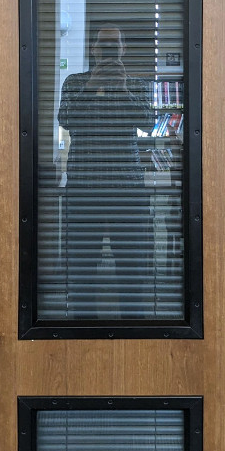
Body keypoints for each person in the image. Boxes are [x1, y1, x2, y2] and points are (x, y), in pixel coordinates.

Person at [58, 26, 155, 318]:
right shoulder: (75, 83)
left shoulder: (135, 84)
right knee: (81, 267)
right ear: (94, 50)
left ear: (123, 50)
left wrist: (122, 89)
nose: (109, 51)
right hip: (83, 187)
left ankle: (134, 328)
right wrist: (92, 87)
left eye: (115, 46)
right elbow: (65, 120)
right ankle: (82, 330)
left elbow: (148, 123)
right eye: (104, 46)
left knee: (132, 267)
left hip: (128, 188)